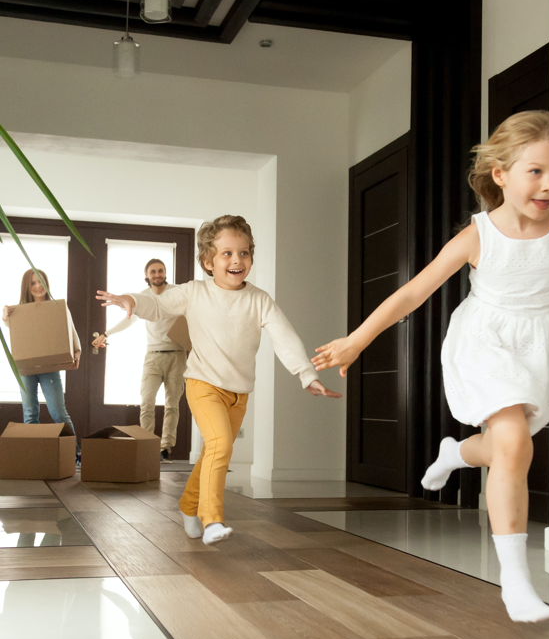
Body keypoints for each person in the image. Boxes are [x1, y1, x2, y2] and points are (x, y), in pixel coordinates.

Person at [311, 111, 549, 623]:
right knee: (517, 442)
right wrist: (357, 341)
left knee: (505, 446)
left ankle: (455, 453)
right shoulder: (479, 236)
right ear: (501, 174)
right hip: (485, 341)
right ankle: (516, 583)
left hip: (542, 344)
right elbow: (413, 292)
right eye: (535, 171)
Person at [96, 215, 341, 546]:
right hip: (202, 383)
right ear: (208, 261)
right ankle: (212, 520)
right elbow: (157, 304)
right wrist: (131, 300)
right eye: (227, 253)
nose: (237, 260)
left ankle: (187, 504)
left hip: (239, 393)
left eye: (244, 253)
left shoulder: (259, 300)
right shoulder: (194, 293)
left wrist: (306, 374)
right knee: (221, 445)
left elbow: (285, 337)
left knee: (214, 450)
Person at [92, 259, 185, 463]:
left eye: (160, 270)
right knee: (147, 403)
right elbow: (129, 318)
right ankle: (147, 445)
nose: (157, 274)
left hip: (178, 355)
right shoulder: (143, 297)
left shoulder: (177, 292)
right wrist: (106, 334)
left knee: (172, 405)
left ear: (165, 273)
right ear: (147, 275)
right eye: (153, 271)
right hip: (152, 356)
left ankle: (165, 449)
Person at [2, 270, 82, 465]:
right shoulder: (20, 310)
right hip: (26, 369)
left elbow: (70, 329)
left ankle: (76, 453)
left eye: (41, 282)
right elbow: (14, 332)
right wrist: (5, 316)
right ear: (27, 288)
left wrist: (77, 351)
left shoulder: (57, 307)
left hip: (50, 366)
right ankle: (33, 456)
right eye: (33, 283)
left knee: (58, 412)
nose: (38, 286)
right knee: (30, 413)